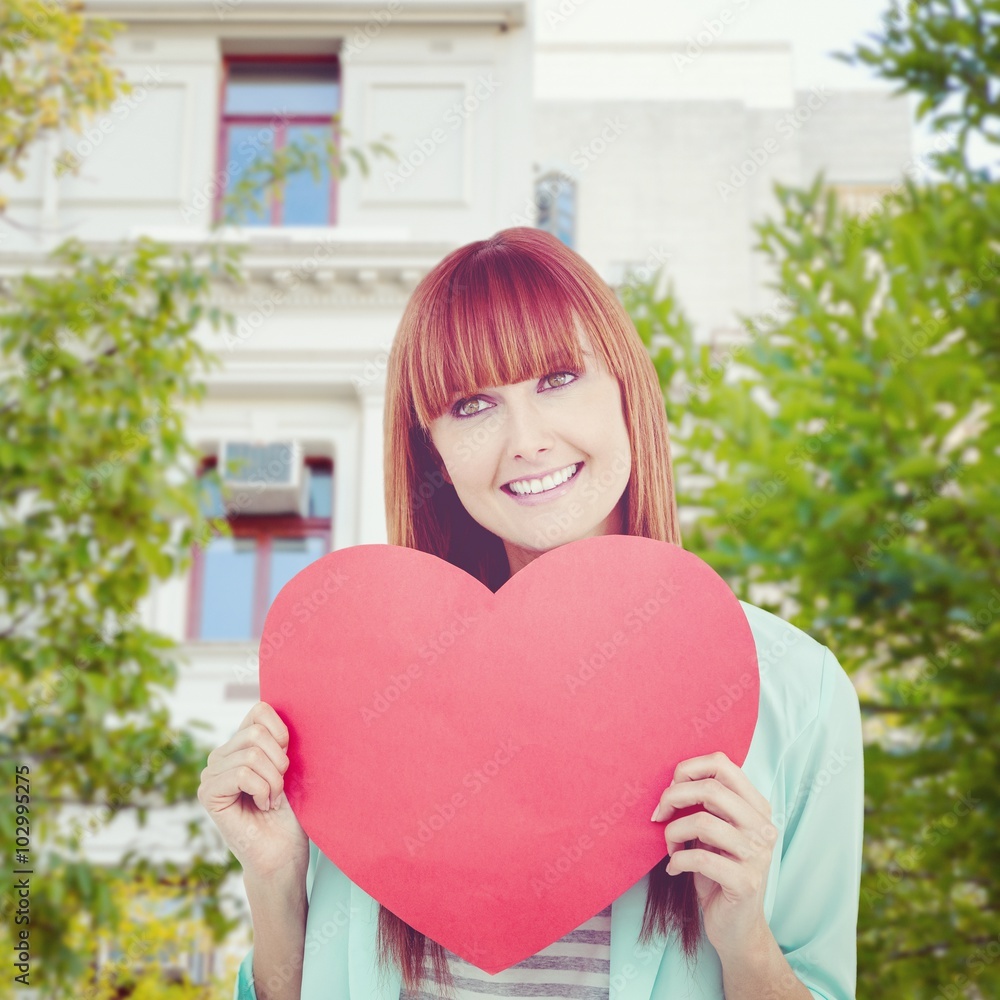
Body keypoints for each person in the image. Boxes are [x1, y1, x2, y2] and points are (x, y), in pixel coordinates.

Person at [197, 227, 864, 1000]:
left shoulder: (799, 693)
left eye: (557, 378)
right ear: (433, 453)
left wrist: (745, 941)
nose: (527, 441)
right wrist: (277, 885)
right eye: (473, 404)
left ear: (625, 387)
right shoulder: (359, 692)